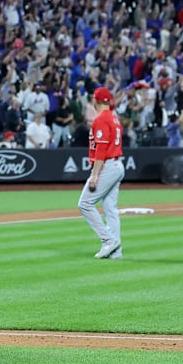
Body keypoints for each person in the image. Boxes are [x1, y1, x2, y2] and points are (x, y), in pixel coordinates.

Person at [77, 87, 125, 259]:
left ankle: (108, 241)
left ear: (95, 101)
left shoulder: (102, 118)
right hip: (117, 164)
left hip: (108, 166)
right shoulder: (114, 117)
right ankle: (116, 252)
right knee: (109, 208)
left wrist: (95, 175)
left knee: (84, 204)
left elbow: (101, 149)